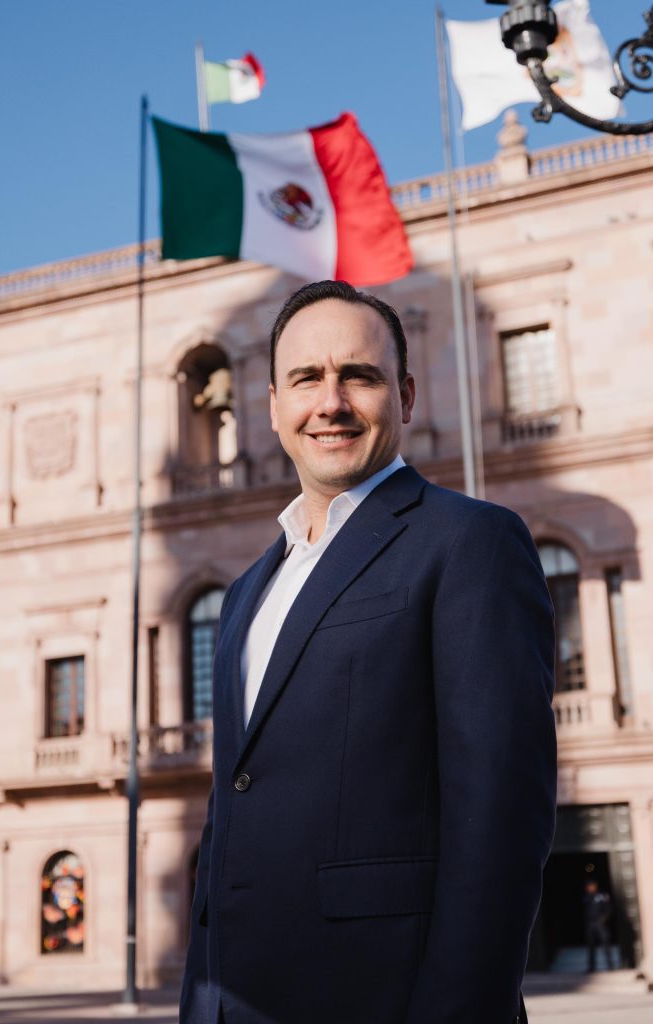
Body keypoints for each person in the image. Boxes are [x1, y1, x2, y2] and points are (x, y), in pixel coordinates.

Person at [180, 280, 557, 1024]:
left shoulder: (469, 541)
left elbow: (499, 818)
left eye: (359, 375)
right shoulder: (248, 589)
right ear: (272, 406)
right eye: (306, 379)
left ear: (405, 396)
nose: (331, 402)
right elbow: (230, 815)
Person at [583, 879, 614, 972]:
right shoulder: (587, 897)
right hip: (591, 923)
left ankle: (610, 965)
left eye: (592, 886)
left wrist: (603, 920)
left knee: (606, 944)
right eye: (589, 886)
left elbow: (608, 909)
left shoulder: (602, 896)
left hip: (600, 923)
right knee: (591, 946)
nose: (590, 888)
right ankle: (591, 967)